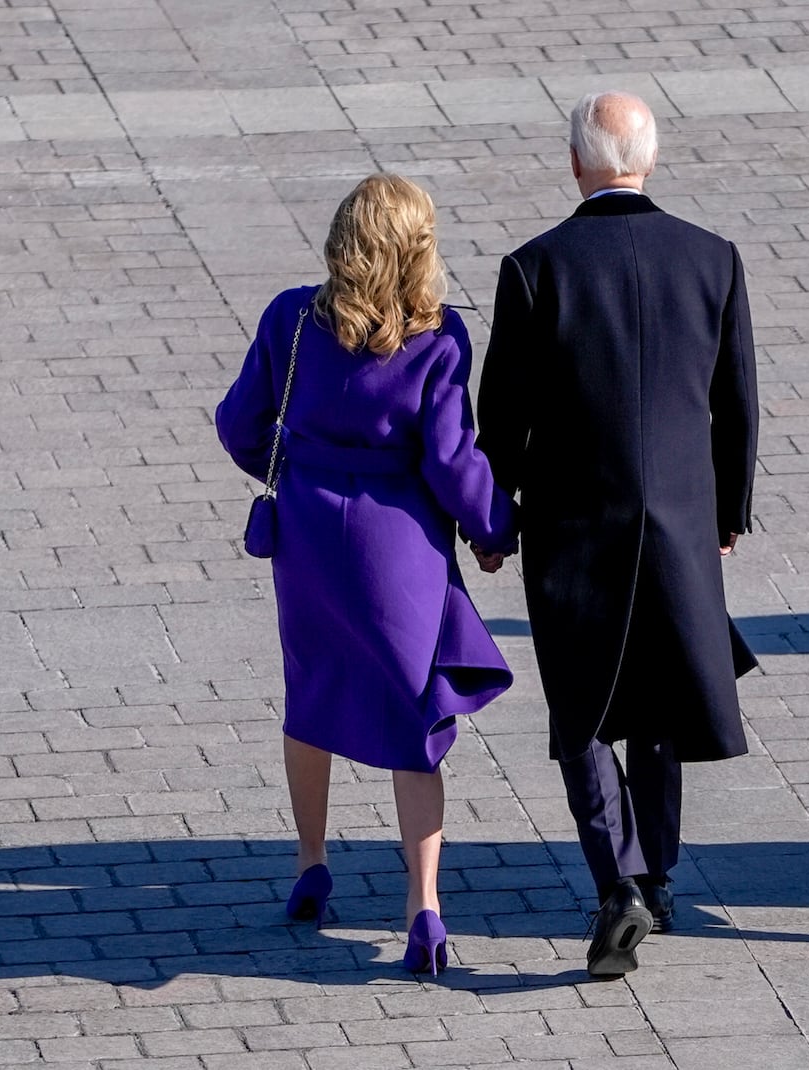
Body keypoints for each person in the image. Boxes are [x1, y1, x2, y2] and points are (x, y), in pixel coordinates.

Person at [473, 91, 759, 978]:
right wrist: (726, 514)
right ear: (651, 158)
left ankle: (618, 883)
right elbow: (737, 404)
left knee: (583, 711)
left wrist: (492, 518)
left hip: (574, 527)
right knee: (662, 697)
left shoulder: (535, 268)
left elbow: (502, 416)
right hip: (678, 518)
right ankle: (660, 873)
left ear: (573, 164)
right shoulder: (712, 258)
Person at [216, 173, 519, 973]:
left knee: (309, 689)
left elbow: (239, 424)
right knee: (413, 719)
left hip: (310, 535)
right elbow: (453, 460)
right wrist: (494, 529)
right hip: (400, 543)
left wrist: (296, 465)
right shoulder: (438, 335)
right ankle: (423, 907)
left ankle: (310, 861)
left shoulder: (291, 317)